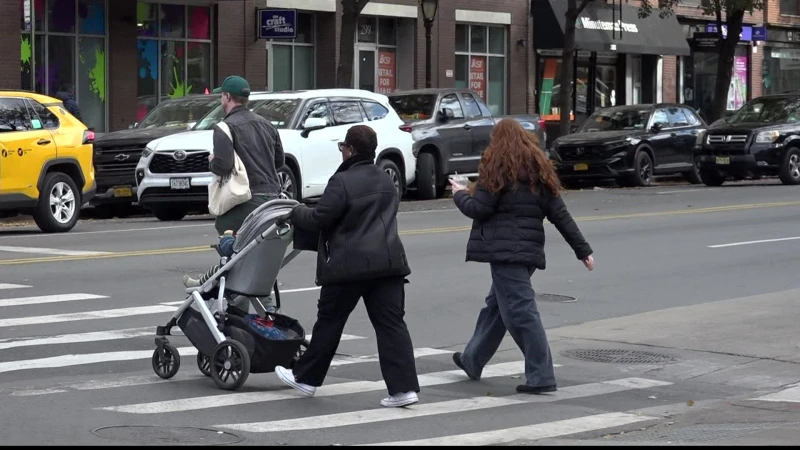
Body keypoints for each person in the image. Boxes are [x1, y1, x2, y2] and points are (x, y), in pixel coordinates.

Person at [272, 125, 421, 408]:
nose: (341, 151)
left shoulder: (342, 181)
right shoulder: (387, 179)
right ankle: (403, 389)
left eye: (342, 147)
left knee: (330, 322)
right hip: (388, 264)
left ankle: (306, 378)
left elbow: (319, 218)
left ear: (350, 149)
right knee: (391, 326)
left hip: (348, 266)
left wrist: (295, 211)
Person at [449, 119, 594, 394]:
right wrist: (582, 250)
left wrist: (458, 194)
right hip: (527, 253)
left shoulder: (496, 168)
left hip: (505, 253)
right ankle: (472, 359)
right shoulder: (539, 171)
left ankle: (541, 376)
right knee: (496, 308)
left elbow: (479, 208)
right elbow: (560, 215)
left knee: (521, 313)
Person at [208, 75, 285, 236]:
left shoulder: (224, 127)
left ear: (227, 96)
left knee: (223, 225)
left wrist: (212, 161)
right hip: (273, 197)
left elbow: (223, 166)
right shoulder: (267, 124)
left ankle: (231, 260)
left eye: (222, 95)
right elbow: (279, 161)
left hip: (245, 198)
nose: (221, 99)